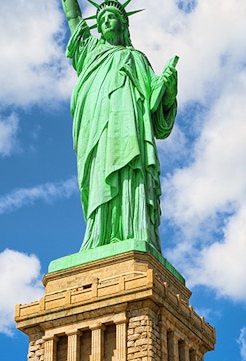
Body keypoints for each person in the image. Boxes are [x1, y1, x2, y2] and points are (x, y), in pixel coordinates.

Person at [60, 0, 178, 254]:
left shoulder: (137, 58)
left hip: (129, 129)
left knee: (130, 170)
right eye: (101, 20)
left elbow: (157, 110)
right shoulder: (90, 51)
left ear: (124, 25)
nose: (105, 22)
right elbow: (72, 16)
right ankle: (98, 235)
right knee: (98, 176)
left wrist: (168, 89)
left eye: (111, 17)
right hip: (96, 128)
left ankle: (135, 230)